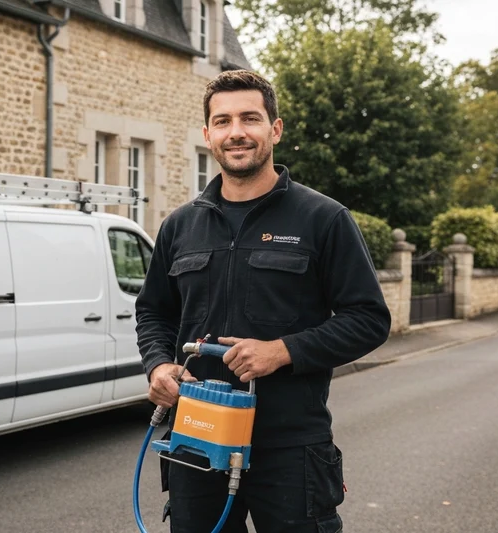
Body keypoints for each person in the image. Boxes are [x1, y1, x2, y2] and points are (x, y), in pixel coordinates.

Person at [134, 69, 391, 533]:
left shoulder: (323, 218)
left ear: (275, 129)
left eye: (250, 118)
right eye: (223, 121)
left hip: (290, 445)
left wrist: (283, 351)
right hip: (196, 435)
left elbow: (368, 319)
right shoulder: (180, 226)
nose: (236, 132)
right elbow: (154, 311)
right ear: (208, 134)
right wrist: (158, 366)